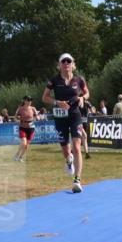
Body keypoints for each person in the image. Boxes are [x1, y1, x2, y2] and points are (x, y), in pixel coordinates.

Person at [42, 52, 89, 193]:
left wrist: (82, 98)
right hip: (60, 117)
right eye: (63, 61)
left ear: (73, 65)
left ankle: (77, 180)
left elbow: (87, 93)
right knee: (66, 150)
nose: (66, 64)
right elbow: (45, 97)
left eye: (69, 61)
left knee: (77, 147)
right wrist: (57, 102)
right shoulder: (54, 80)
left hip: (75, 115)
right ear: (59, 65)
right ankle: (69, 161)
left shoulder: (79, 80)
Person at [13, 95, 38, 162]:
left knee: (26, 145)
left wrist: (37, 118)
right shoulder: (20, 109)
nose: (30, 101)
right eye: (28, 100)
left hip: (31, 128)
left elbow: (37, 116)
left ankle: (20, 157)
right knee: (24, 143)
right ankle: (17, 154)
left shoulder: (33, 108)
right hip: (23, 127)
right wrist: (17, 120)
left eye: (31, 100)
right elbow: (15, 117)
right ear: (24, 101)